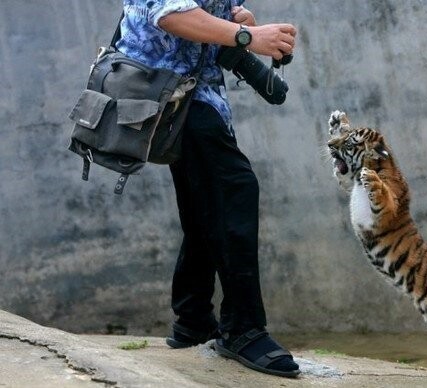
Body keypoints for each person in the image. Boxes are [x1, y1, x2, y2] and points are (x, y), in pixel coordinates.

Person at [115, 0, 299, 378]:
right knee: (236, 189)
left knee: (205, 203)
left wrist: (239, 17)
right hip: (161, 91)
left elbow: (218, 10)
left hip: (193, 94)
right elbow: (168, 13)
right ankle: (242, 329)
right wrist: (249, 35)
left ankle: (193, 317)